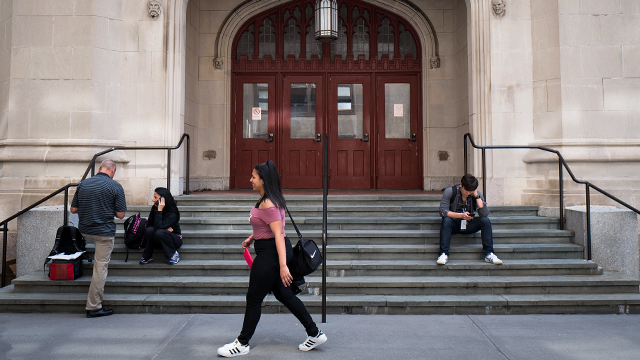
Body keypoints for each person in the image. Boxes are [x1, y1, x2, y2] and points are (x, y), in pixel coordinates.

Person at [217, 160, 327, 357]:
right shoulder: (267, 199)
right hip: (270, 250)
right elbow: (269, 227)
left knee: (253, 299)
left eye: (253, 177)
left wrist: (283, 266)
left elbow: (278, 234)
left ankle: (242, 344)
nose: (250, 179)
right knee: (284, 295)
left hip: (271, 255)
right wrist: (252, 238)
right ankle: (314, 333)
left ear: (264, 181)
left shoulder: (268, 203)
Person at [70, 159, 127, 318]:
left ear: (100, 168)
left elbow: (73, 209)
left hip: (85, 230)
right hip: (104, 232)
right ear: (113, 170)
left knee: (98, 264)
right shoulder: (115, 186)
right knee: (100, 267)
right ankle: (93, 306)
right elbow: (121, 215)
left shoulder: (83, 184)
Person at [437, 174, 502, 265]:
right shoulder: (450, 191)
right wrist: (460, 216)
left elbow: (484, 214)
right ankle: (443, 253)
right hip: (454, 225)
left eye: (470, 191)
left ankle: (489, 254)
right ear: (461, 184)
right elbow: (442, 211)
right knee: (446, 220)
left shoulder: (475, 195)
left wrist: (477, 196)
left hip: (469, 225)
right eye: (466, 190)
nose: (467, 193)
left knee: (485, 221)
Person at [139, 187, 182, 265]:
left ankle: (173, 255)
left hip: (174, 239)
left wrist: (159, 210)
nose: (153, 200)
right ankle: (147, 256)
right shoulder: (154, 208)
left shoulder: (172, 213)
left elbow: (159, 228)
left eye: (155, 197)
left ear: (163, 199)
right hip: (158, 238)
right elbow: (149, 225)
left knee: (160, 232)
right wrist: (165, 228)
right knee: (150, 230)